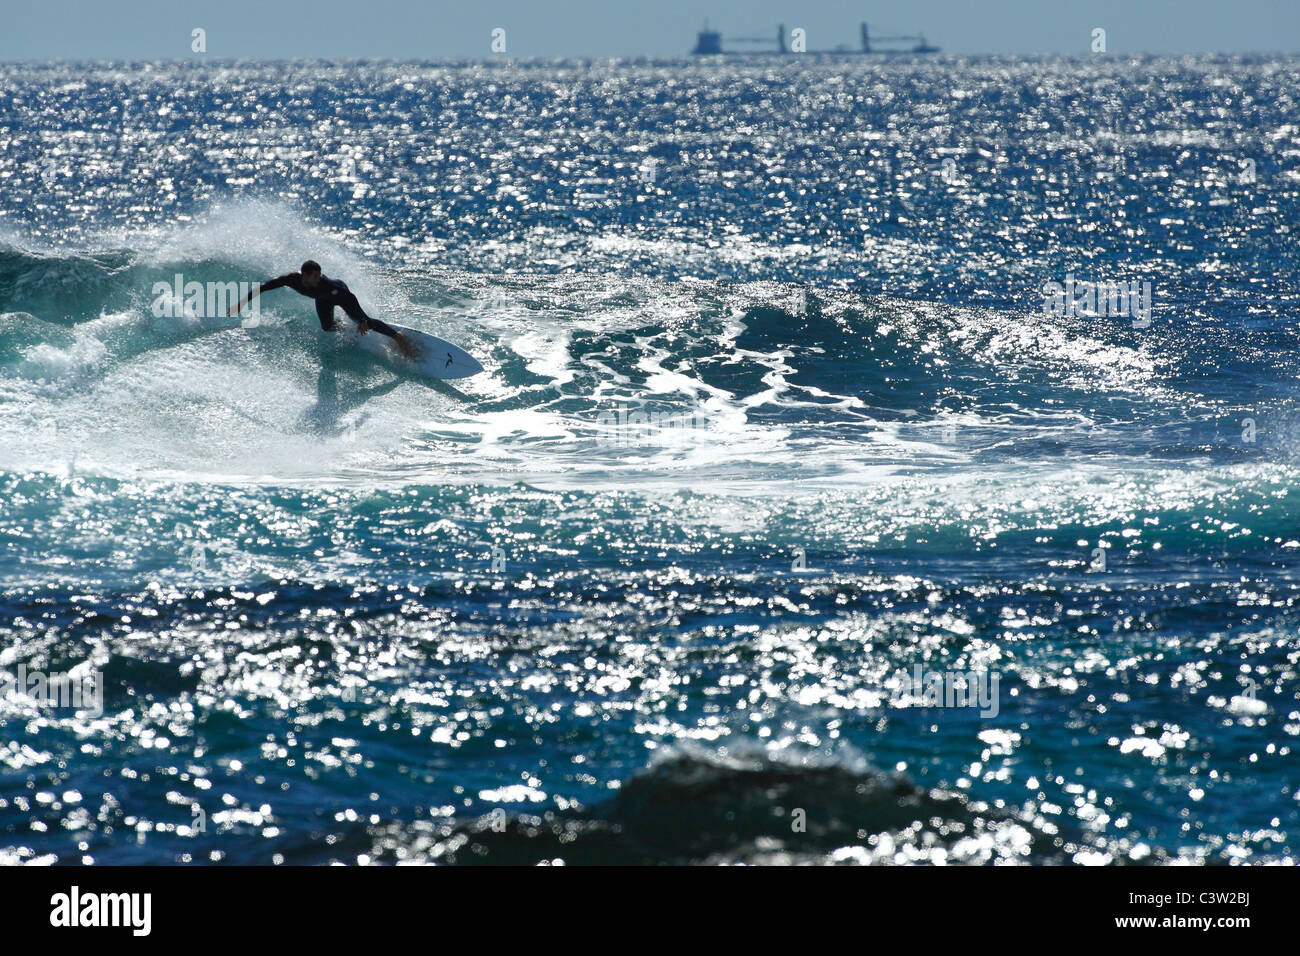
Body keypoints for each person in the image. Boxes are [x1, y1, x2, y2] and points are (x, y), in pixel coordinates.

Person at [229, 260, 413, 358]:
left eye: (319, 275)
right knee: (327, 327)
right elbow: (265, 286)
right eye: (314, 276)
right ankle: (349, 330)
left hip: (339, 294)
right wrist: (242, 303)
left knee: (363, 321)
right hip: (322, 300)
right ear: (305, 276)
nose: (318, 278)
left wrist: (363, 320)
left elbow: (349, 298)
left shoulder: (326, 285)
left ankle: (398, 337)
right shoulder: (292, 279)